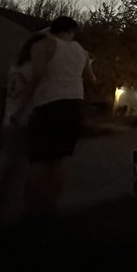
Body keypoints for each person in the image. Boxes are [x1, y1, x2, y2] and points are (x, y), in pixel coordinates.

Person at [25, 16, 96, 216]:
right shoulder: (80, 50)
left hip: (49, 103)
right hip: (73, 104)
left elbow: (37, 75)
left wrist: (23, 106)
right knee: (57, 160)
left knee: (38, 159)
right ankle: (50, 206)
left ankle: (30, 208)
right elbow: (91, 78)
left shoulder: (45, 44)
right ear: (72, 30)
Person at [0, 32, 45, 212]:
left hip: (7, 120)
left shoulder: (15, 66)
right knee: (20, 164)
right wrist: (20, 113)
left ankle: (3, 198)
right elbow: (29, 92)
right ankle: (9, 203)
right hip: (22, 120)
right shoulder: (32, 69)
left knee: (12, 162)